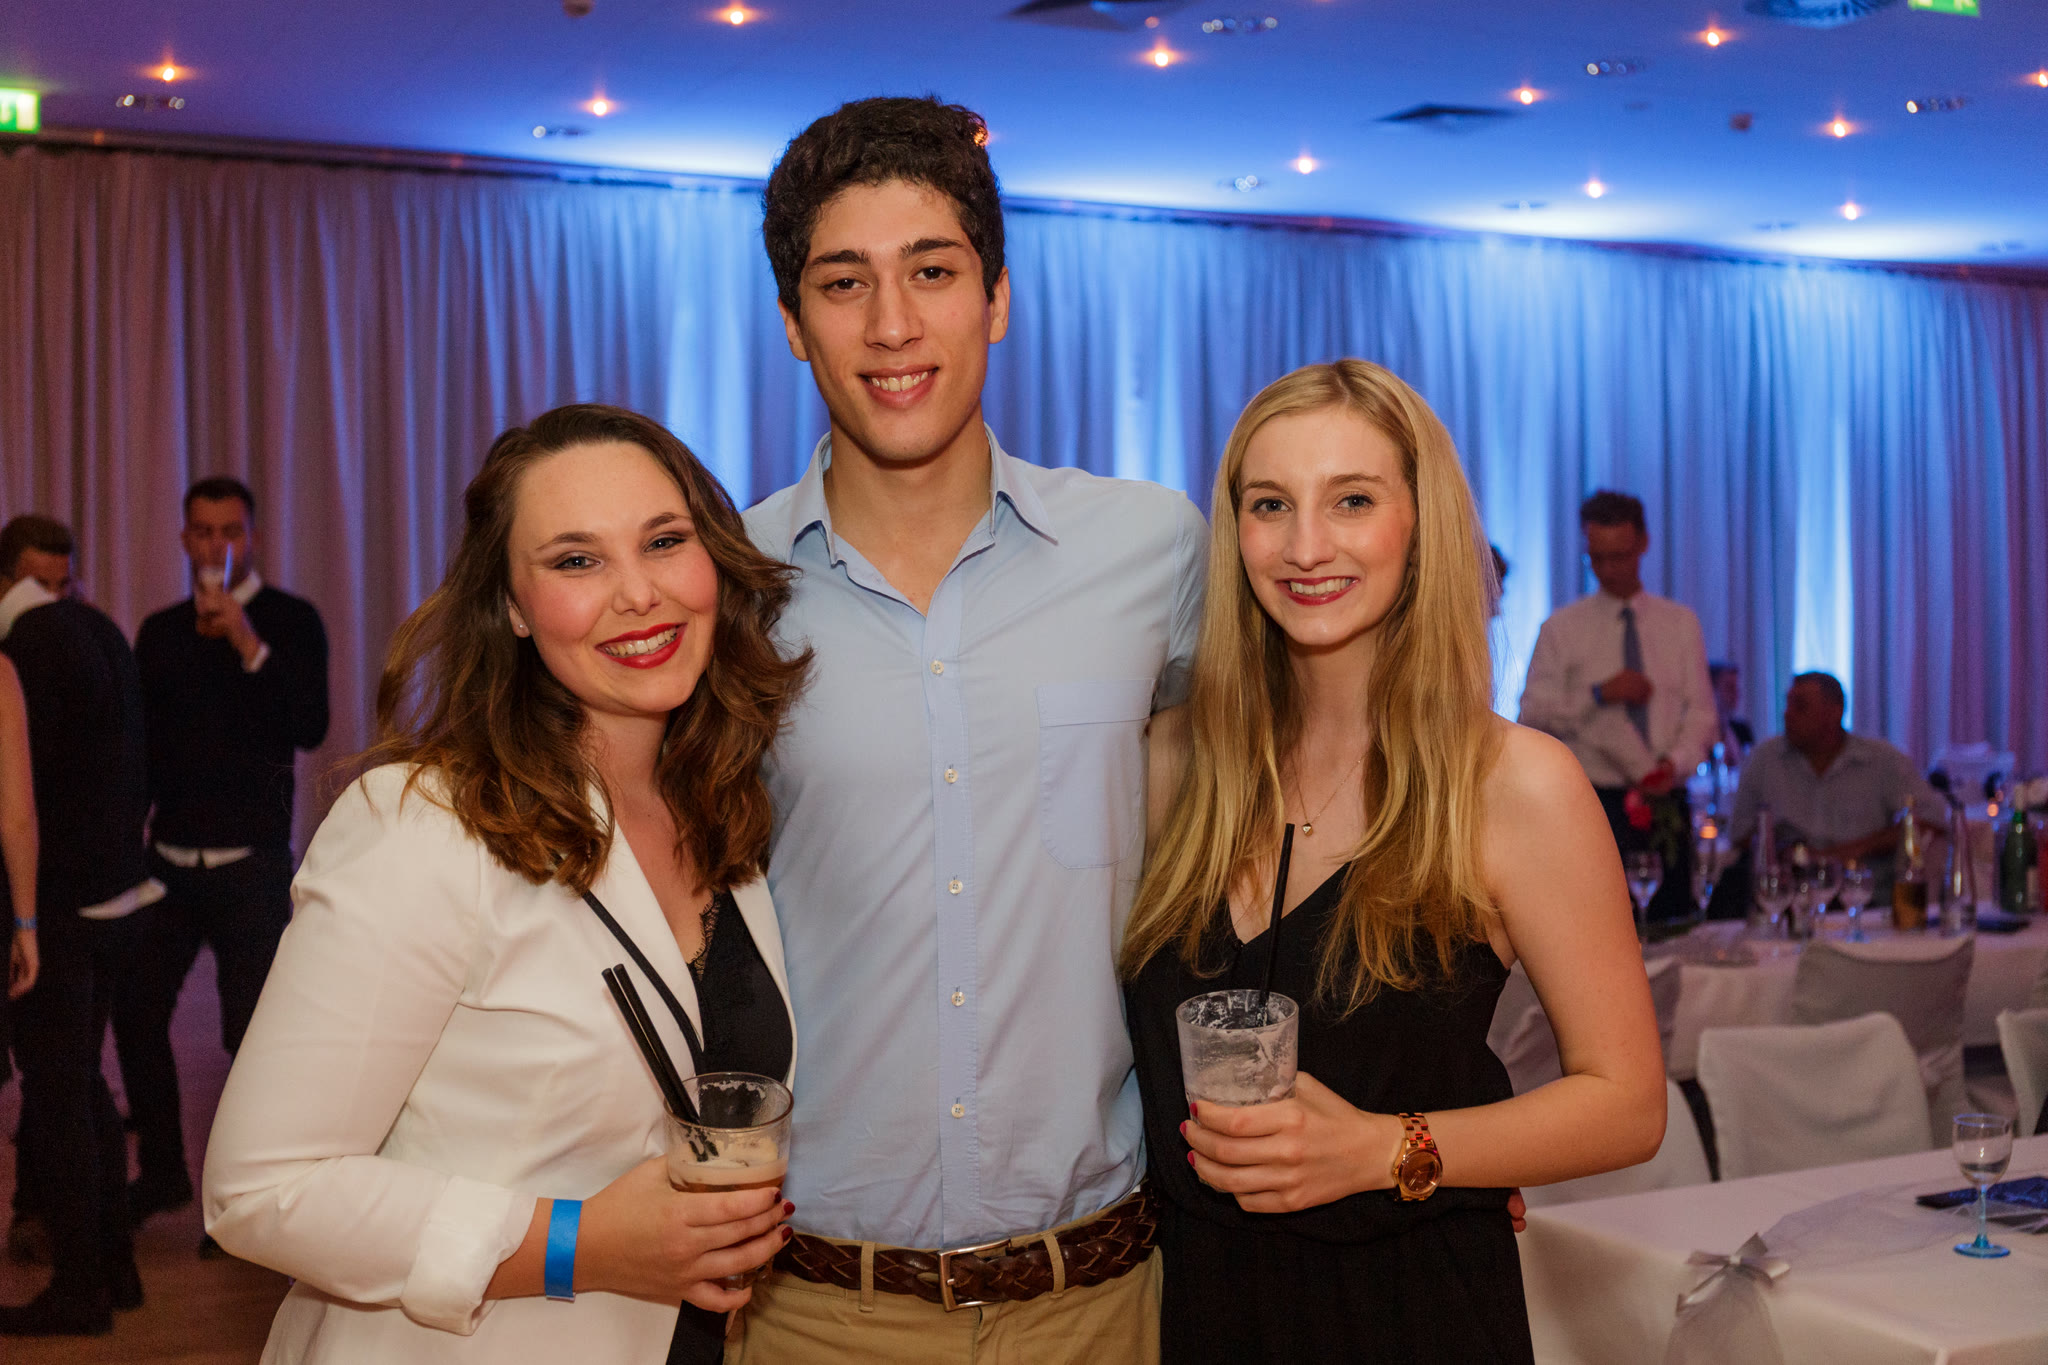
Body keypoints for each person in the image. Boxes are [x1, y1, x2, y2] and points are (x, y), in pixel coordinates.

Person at [729, 96, 1206, 1362]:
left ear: (996, 298)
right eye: (844, 283)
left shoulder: (1148, 550)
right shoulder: (724, 589)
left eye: (932, 272)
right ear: (792, 323)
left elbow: (1281, 806)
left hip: (1098, 1303)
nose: (891, 325)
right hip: (812, 1311)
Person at [202, 405, 807, 1363]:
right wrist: (581, 1243)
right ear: (514, 607)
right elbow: (261, 1188)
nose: (638, 593)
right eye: (577, 560)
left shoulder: (722, 811)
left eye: (664, 541)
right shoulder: (424, 825)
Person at [1122, 361, 1665, 1363]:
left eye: (1352, 501)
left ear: (1420, 526)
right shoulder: (1172, 761)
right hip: (1193, 1311)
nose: (1304, 546)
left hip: (1409, 1313)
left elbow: (1627, 1102)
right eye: (1269, 504)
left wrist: (1391, 1148)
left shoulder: (1510, 784)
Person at [118, 476, 331, 1236]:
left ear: (253, 536)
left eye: (230, 531)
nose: (217, 545)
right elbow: (142, 751)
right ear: (185, 539)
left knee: (252, 1036)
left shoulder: (291, 620)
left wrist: (247, 643)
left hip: (253, 862)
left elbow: (309, 724)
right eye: (204, 532)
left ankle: (241, 1195)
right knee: (136, 1010)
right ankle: (164, 1172)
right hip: (169, 861)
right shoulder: (159, 631)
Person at [0, 515, 150, 1336]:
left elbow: (22, 800)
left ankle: (81, 1288)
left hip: (56, 902)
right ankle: (114, 1270)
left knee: (58, 1092)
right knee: (82, 1084)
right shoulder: (99, 627)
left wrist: (23, 915)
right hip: (118, 889)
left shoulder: (26, 646)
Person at [1519, 490, 1716, 923]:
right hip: (1590, 801)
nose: (1608, 570)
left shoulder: (1679, 624)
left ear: (1643, 544)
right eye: (1597, 559)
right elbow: (1531, 715)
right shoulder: (1561, 629)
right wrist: (1598, 694)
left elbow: (1702, 714)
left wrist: (1674, 764)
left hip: (1665, 798)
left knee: (1672, 925)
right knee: (1590, 926)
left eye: (1619, 557)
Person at [1728, 672, 1944, 897]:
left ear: (1834, 713)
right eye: (1787, 704)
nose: (1787, 714)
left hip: (1864, 897)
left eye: (1800, 706)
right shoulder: (1765, 760)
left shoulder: (1881, 761)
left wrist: (1850, 851)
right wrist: (1780, 851)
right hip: (1788, 895)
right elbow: (1739, 835)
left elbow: (1933, 820)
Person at [1708, 661, 1754, 759]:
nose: (1736, 693)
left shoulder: (1742, 730)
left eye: (1736, 687)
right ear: (1712, 690)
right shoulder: (1702, 736)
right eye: (1730, 688)